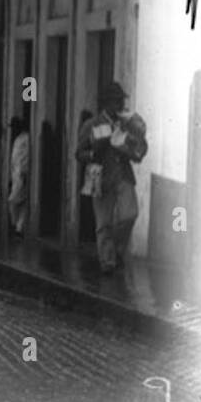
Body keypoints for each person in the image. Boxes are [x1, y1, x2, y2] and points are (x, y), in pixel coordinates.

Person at [76, 82, 147, 274]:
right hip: (100, 178)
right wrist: (94, 153)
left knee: (129, 214)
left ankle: (115, 249)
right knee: (103, 223)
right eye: (116, 101)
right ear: (106, 103)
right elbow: (79, 153)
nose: (120, 105)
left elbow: (141, 147)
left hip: (123, 176)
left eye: (121, 101)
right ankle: (107, 263)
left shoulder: (128, 122)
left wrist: (135, 145)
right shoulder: (92, 125)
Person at [7, 116, 30, 238]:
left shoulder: (25, 139)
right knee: (20, 202)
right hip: (16, 175)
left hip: (22, 175)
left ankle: (16, 225)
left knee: (13, 200)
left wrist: (24, 172)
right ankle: (18, 227)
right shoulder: (18, 139)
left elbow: (25, 157)